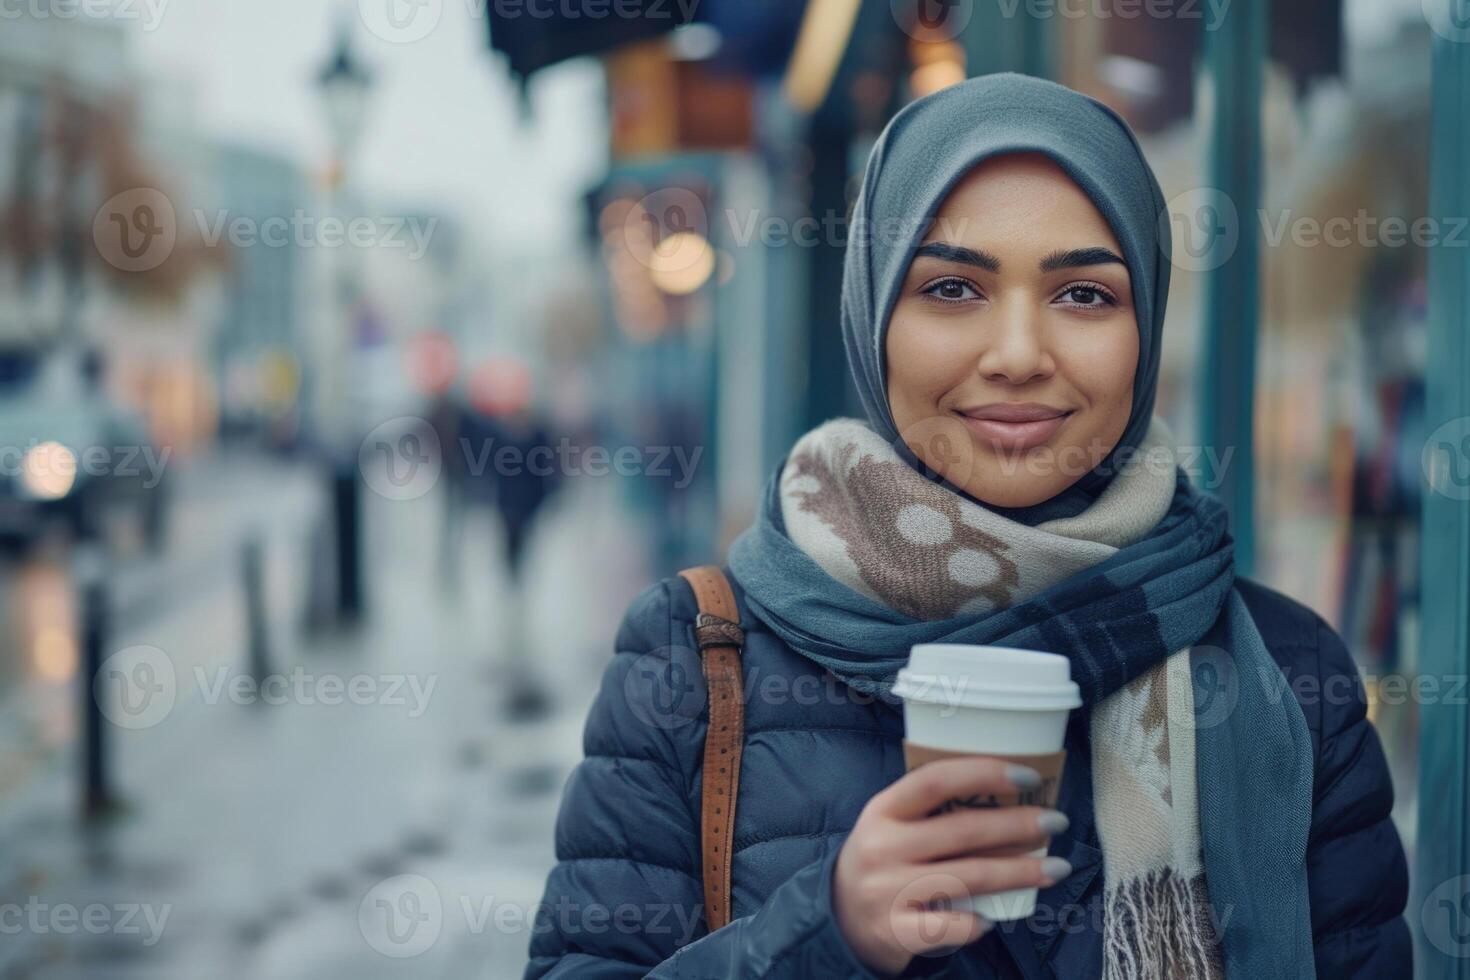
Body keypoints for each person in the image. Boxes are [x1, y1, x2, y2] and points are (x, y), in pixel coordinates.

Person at [524, 73, 1409, 979]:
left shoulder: (1286, 676)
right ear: (873, 321)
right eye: (951, 289)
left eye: (1084, 296)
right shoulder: (693, 658)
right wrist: (828, 932)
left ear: (1146, 329)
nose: (1019, 355)